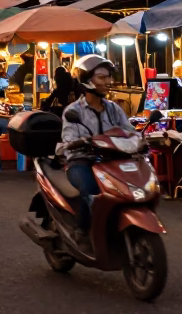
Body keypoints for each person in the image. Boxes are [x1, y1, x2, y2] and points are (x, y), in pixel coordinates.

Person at [60, 56, 135, 249]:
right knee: (92, 190)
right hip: (81, 162)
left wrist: (138, 140)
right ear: (87, 80)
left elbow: (128, 131)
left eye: (108, 77)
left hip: (110, 161)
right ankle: (82, 230)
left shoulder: (114, 109)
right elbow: (69, 138)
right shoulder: (73, 110)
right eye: (101, 78)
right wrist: (78, 143)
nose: (108, 82)